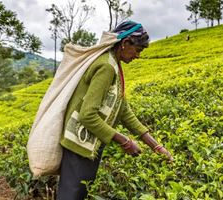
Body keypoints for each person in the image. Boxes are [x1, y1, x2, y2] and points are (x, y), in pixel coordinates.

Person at [57, 21, 173, 200]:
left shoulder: (113, 64)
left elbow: (123, 110)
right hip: (78, 146)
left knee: (78, 194)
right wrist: (125, 141)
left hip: (88, 145)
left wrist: (156, 146)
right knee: (72, 196)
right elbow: (87, 115)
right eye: (138, 50)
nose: (138, 56)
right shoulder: (106, 67)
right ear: (125, 43)